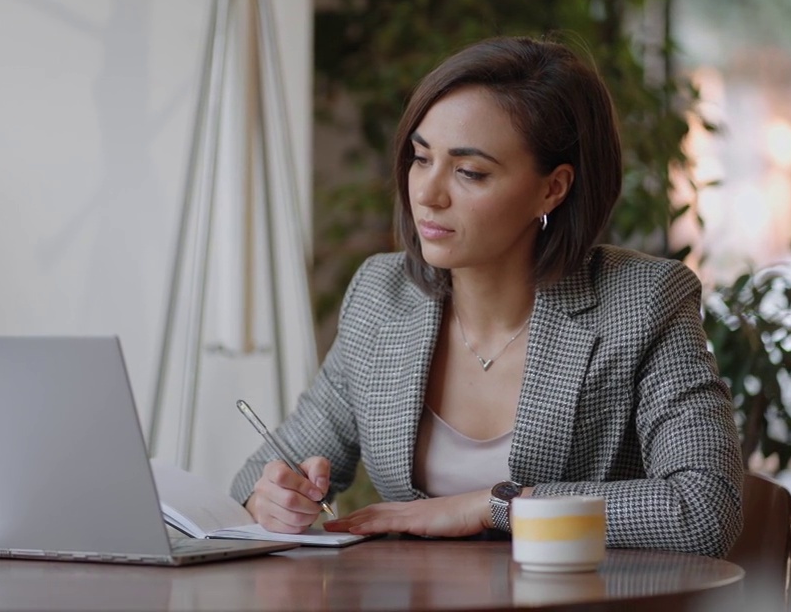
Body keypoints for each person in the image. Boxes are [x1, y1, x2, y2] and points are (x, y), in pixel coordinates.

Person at [228, 36, 743, 558]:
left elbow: (702, 509)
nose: (428, 194)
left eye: (470, 172)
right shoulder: (383, 297)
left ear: (552, 189)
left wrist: (491, 506)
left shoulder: (643, 301)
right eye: (421, 157)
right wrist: (272, 498)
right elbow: (264, 472)